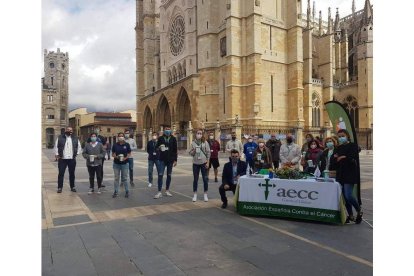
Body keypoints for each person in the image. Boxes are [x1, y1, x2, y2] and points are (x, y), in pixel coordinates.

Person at [329, 129, 363, 224]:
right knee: (344, 196)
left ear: (347, 136)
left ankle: (359, 210)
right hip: (341, 173)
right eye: (339, 136)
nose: (341, 138)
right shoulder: (338, 148)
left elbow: (351, 158)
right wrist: (341, 158)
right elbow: (334, 161)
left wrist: (342, 157)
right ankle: (350, 215)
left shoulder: (353, 146)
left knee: (348, 195)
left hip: (350, 173)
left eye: (342, 136)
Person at [54, 127, 82, 193]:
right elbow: (56, 146)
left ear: (72, 131)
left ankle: (72, 187)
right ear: (65, 130)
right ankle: (60, 187)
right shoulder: (60, 137)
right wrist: (57, 154)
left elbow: (79, 147)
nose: (69, 131)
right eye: (68, 130)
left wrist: (76, 154)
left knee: (72, 173)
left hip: (72, 159)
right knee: (61, 173)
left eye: (71, 130)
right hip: (62, 159)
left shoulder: (75, 138)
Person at [154, 126, 178, 199]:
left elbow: (175, 150)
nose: (168, 130)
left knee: (169, 175)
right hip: (162, 159)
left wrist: (175, 160)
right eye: (166, 129)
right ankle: (159, 192)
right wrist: (159, 148)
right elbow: (156, 148)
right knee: (160, 175)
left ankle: (167, 190)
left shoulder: (173, 139)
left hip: (170, 160)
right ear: (164, 130)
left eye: (169, 129)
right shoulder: (161, 138)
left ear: (170, 130)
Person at [189, 129, 211, 202]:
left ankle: (205, 194)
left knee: (205, 179)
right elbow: (190, 153)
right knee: (195, 179)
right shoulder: (193, 143)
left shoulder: (205, 142)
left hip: (204, 163)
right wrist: (194, 150)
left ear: (202, 134)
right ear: (196, 134)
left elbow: (208, 153)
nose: (199, 134)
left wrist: (208, 162)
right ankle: (195, 194)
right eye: (198, 133)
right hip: (195, 163)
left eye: (200, 133)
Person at [111, 132, 131, 198]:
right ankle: (116, 191)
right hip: (116, 164)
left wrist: (125, 158)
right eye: (119, 136)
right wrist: (117, 157)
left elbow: (129, 153)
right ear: (118, 137)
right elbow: (113, 154)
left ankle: (127, 191)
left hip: (125, 164)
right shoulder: (115, 145)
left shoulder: (127, 144)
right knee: (116, 178)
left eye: (122, 136)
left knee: (124, 178)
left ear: (124, 137)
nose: (121, 137)